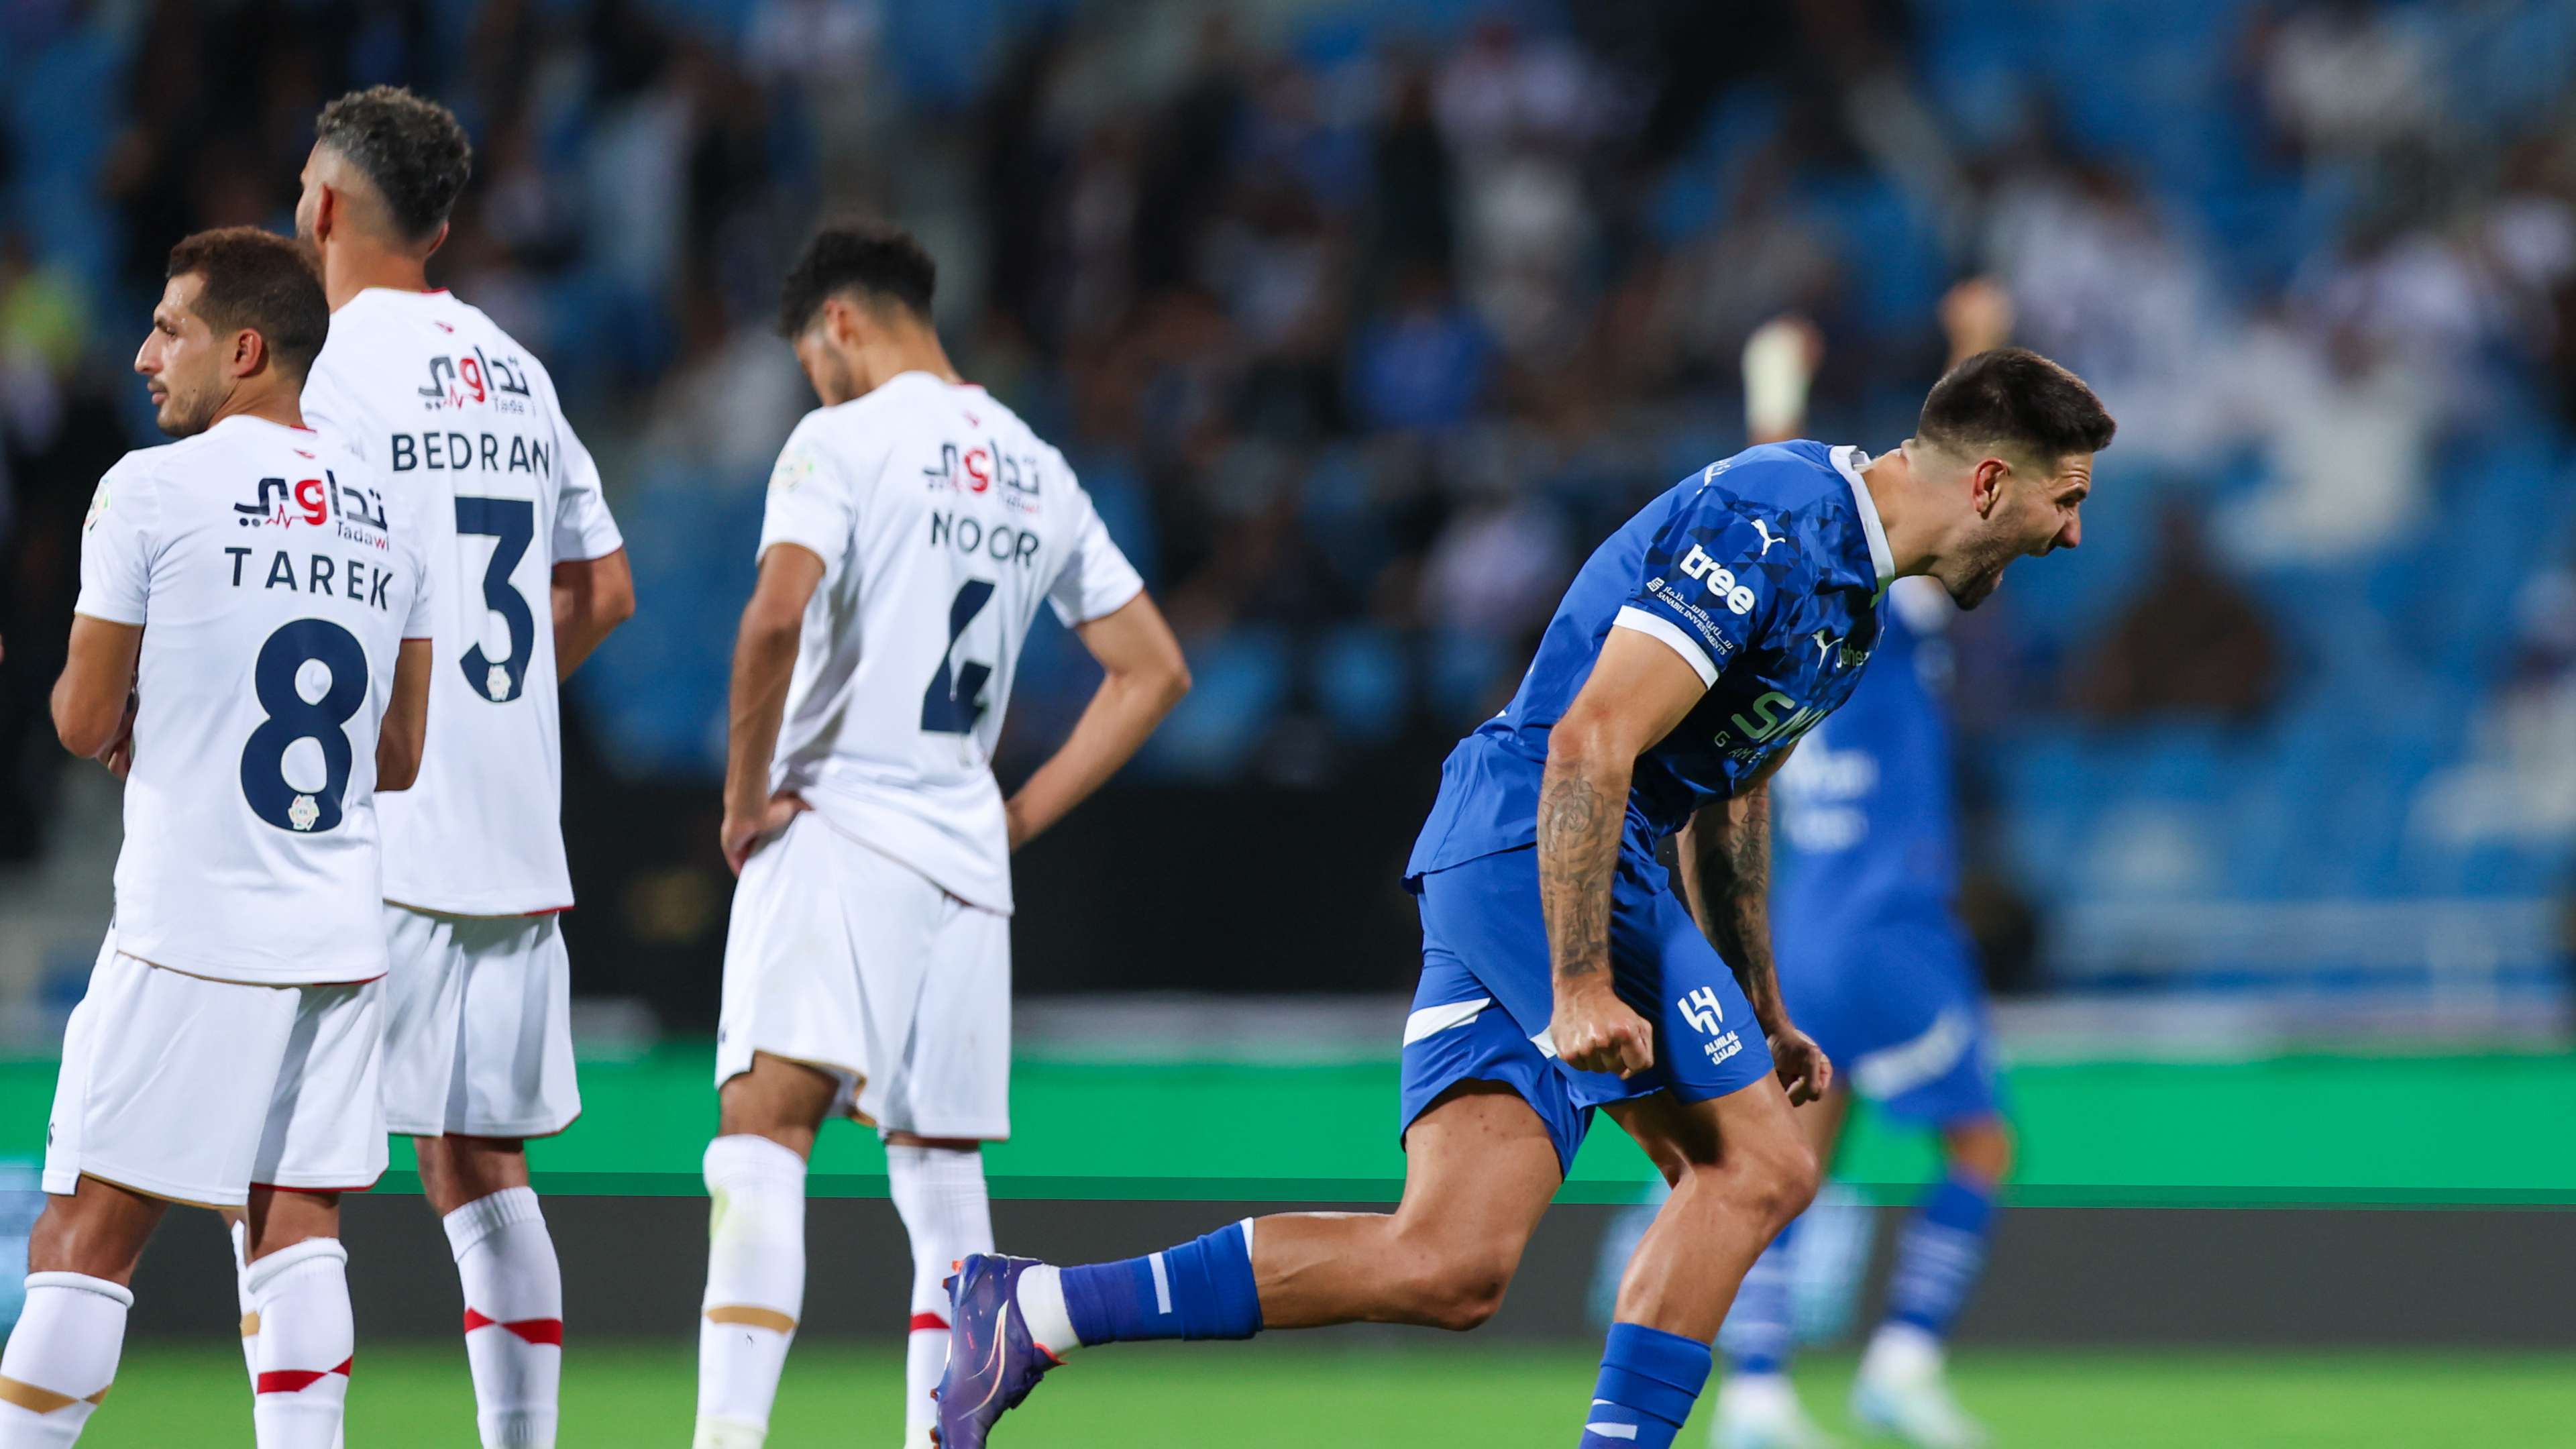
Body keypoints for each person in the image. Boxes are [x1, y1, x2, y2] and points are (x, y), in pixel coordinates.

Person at [933, 343, 2112, 1449]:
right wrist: (1581, 977)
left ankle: (1033, 1312)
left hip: (1532, 855)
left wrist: (1761, 999)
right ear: (1992, 479)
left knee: (1448, 1264)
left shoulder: (1855, 601)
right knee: (1762, 1166)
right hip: (1539, 847)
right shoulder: (1776, 518)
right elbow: (1592, 736)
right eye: (2067, 501)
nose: (2069, 536)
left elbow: (1735, 790)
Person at [692, 221, 1189, 1449]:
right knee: (941, 1173)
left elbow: (772, 619)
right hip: (965, 858)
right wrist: (1011, 815)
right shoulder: (1033, 465)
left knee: (763, 1137)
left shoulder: (842, 439)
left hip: (842, 819)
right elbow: (1153, 671)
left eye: (814, 358)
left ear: (842, 323)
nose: (818, 380)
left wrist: (745, 798)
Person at [219, 87, 636, 1449]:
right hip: (513, 851)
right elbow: (608, 587)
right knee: (479, 1166)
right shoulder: (515, 368)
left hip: (369, 839)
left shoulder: (324, 371)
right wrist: (477, 709)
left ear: (326, 205)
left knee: (288, 1180)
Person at [1, 227, 432, 1449]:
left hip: (195, 927)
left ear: (243, 349)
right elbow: (396, 758)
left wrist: (138, 713)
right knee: (295, 1229)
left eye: (169, 329)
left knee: (84, 1236)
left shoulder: (148, 488)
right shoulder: (387, 511)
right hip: (339, 934)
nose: (143, 355)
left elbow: (86, 720)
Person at [1711, 290, 2021, 1449]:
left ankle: (1752, 1393)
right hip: (1891, 920)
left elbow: (1765, 521)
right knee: (1980, 1141)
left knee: (1799, 1165)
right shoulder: (1893, 620)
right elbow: (1963, 476)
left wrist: (1773, 397)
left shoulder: (1786, 639)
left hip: (1800, 926)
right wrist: (1976, 341)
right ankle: (1900, 1362)